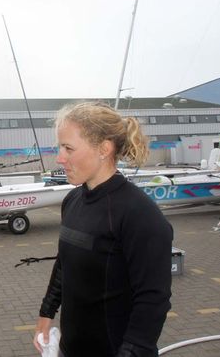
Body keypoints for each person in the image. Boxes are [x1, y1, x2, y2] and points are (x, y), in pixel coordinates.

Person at [34, 102, 172, 357]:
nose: (59, 158)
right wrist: (46, 313)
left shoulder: (139, 214)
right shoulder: (73, 201)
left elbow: (153, 300)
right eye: (59, 147)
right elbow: (65, 264)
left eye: (68, 148)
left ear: (104, 149)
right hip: (70, 348)